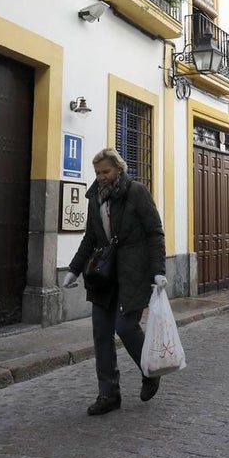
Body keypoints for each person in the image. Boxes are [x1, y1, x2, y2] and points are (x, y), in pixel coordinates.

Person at [62, 148, 167, 416]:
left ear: (118, 169)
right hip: (103, 275)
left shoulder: (136, 192)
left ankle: (150, 371)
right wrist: (74, 269)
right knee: (101, 333)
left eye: (105, 172)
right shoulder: (94, 198)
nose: (101, 178)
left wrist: (158, 271)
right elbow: (90, 238)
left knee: (126, 327)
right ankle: (108, 395)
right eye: (97, 173)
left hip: (133, 273)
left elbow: (155, 233)